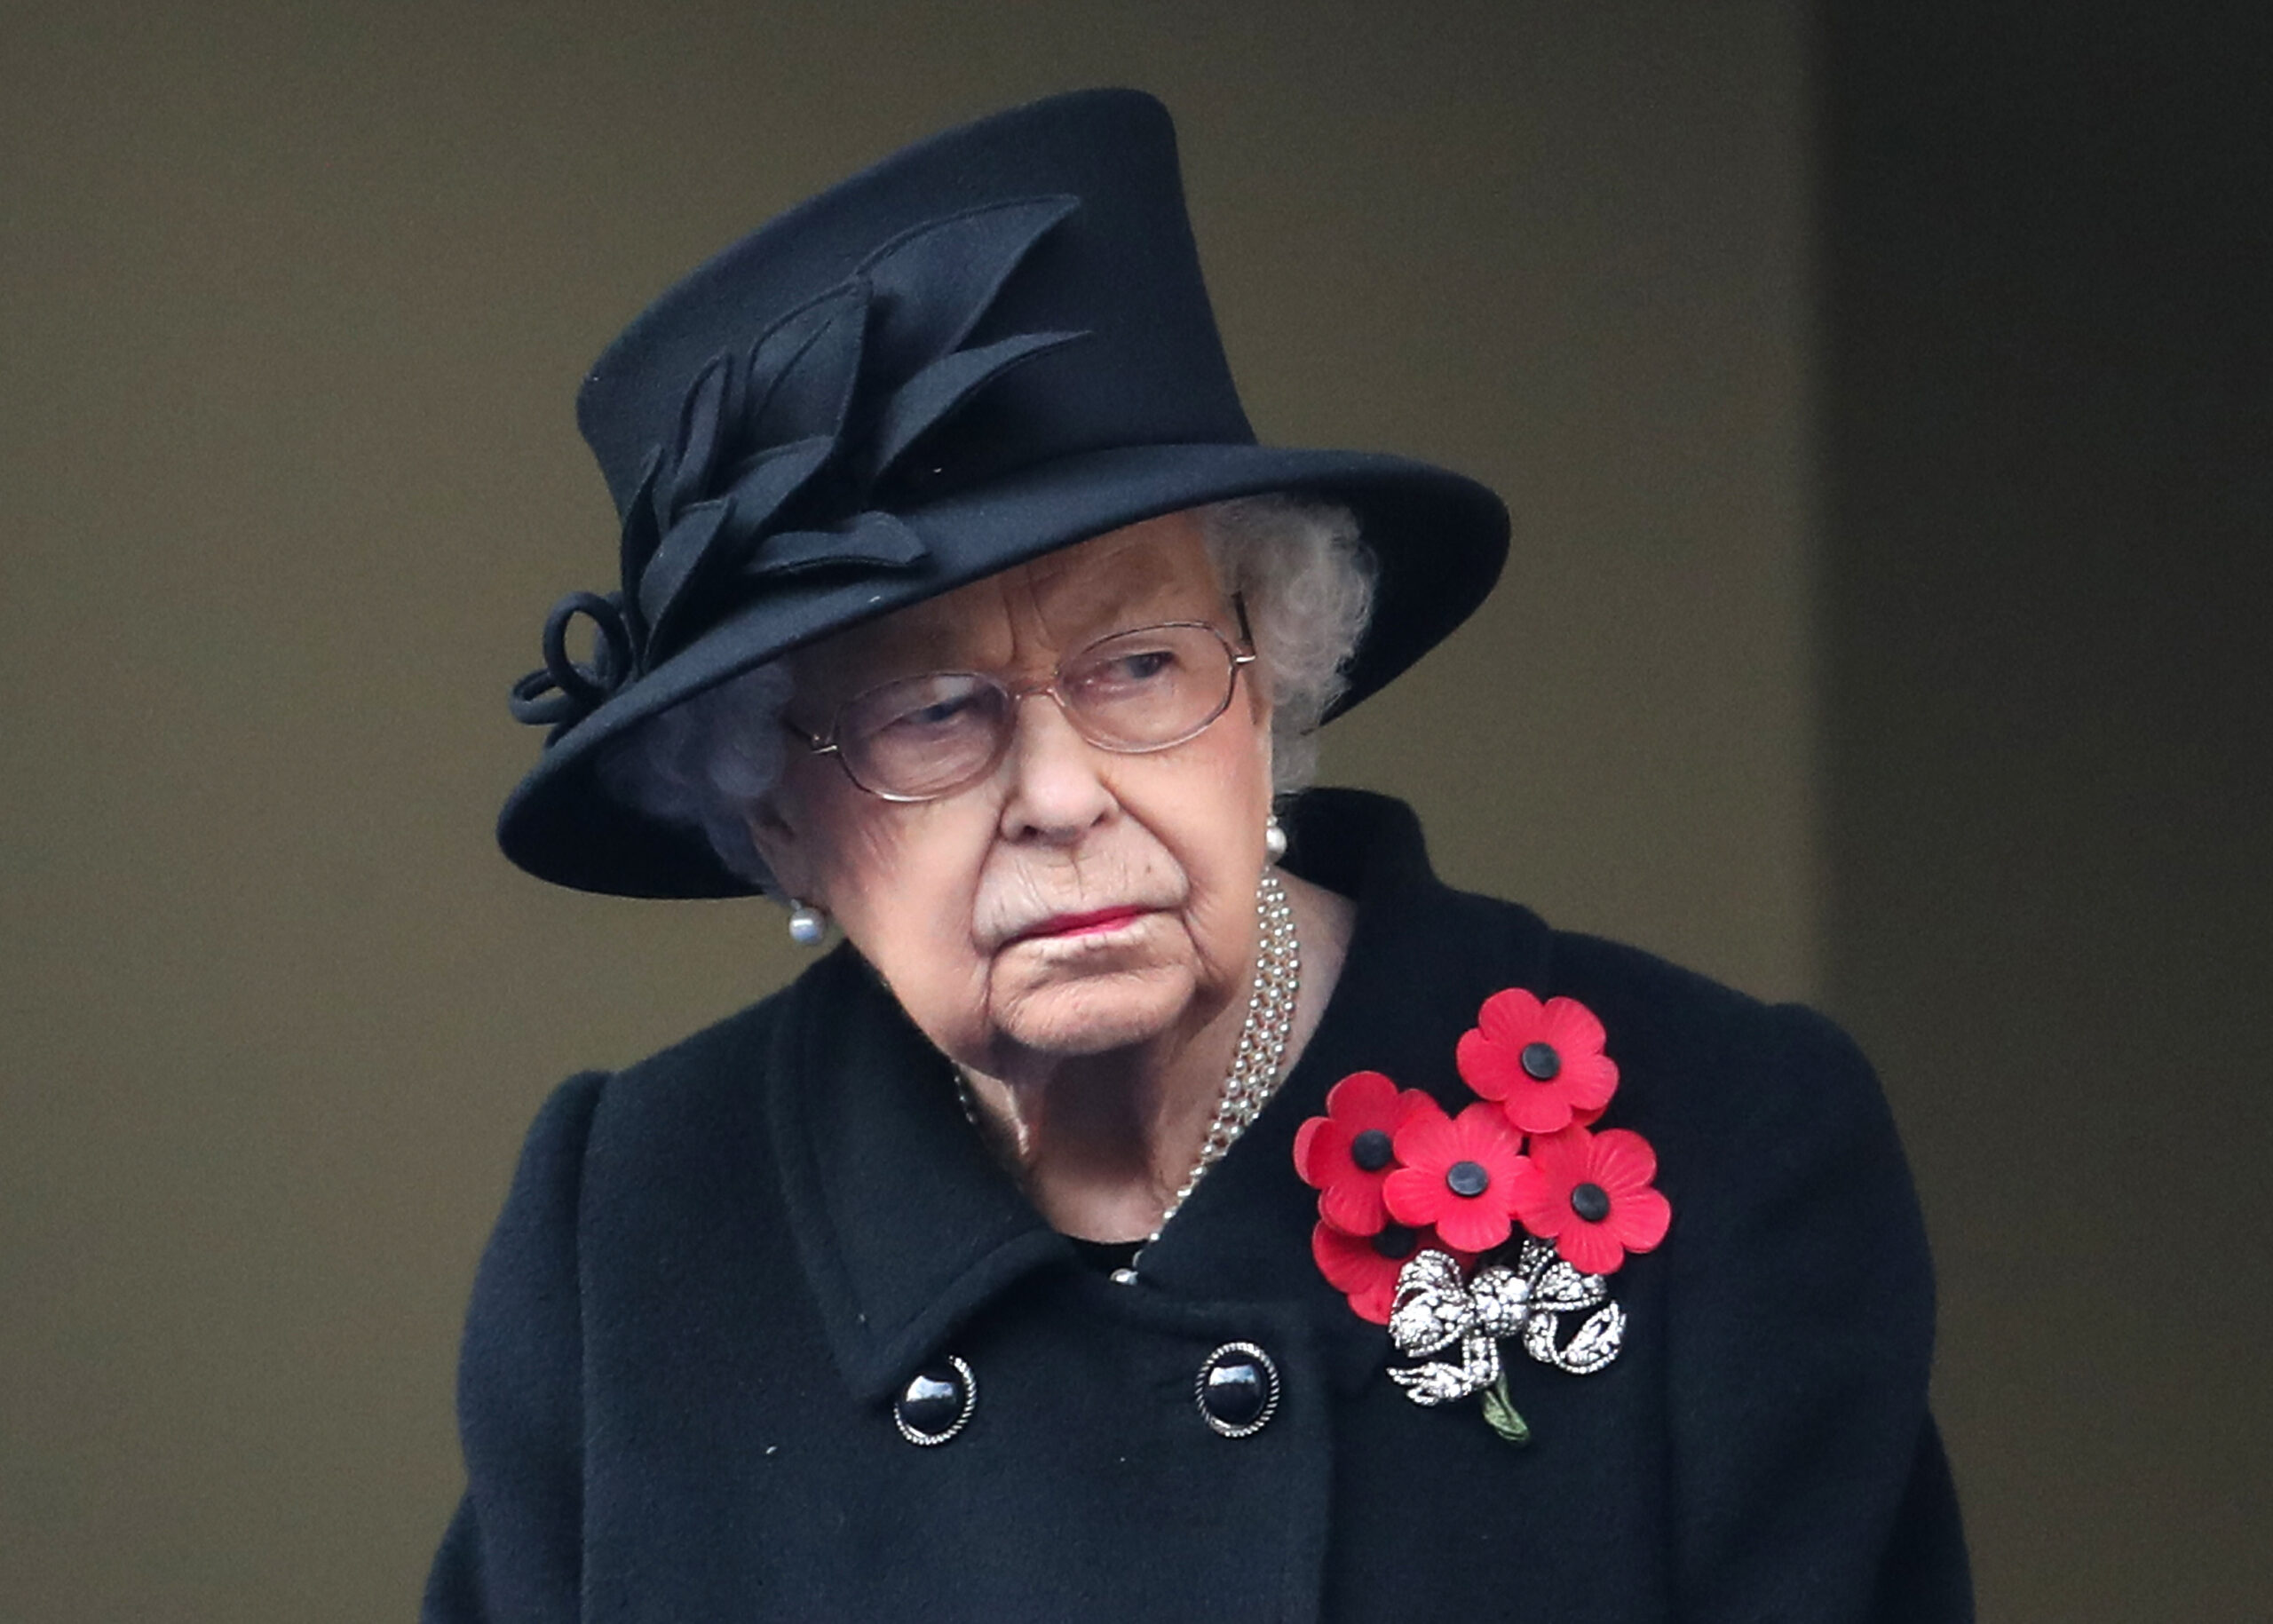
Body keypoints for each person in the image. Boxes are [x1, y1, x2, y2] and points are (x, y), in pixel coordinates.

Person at [426, 90, 1971, 1621]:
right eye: (930, 713)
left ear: (1269, 671)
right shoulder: (633, 1234)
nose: (1062, 792)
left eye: (1140, 666)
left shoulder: (1725, 1144)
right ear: (776, 813)